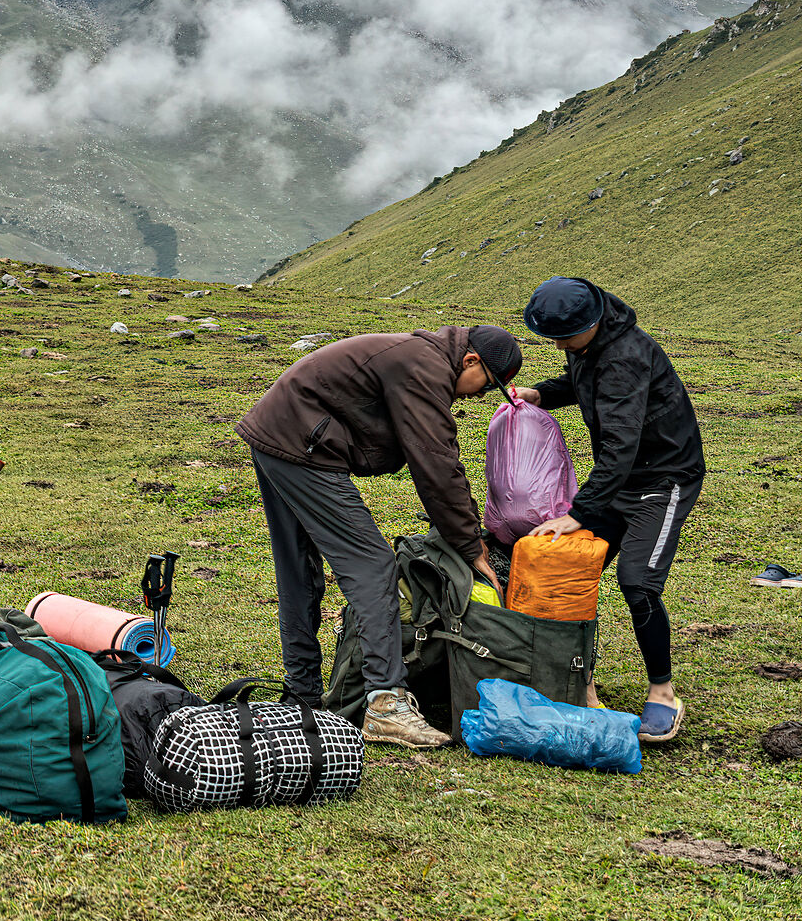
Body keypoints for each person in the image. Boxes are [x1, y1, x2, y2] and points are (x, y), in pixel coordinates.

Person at [236, 324, 523, 749]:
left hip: (281, 435)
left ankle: (301, 696)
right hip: (302, 446)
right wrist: (469, 543)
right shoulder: (423, 367)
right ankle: (385, 704)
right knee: (372, 566)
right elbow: (436, 464)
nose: (479, 396)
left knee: (298, 569)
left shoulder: (420, 357)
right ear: (471, 361)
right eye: (487, 386)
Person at [509, 276, 706, 744]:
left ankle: (663, 692)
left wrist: (582, 511)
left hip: (662, 481)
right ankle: (574, 679)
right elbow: (583, 382)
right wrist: (542, 394)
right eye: (550, 335)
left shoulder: (625, 358)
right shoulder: (589, 344)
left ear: (593, 321)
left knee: (638, 582)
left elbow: (620, 444)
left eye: (564, 337)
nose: (559, 344)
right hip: (618, 480)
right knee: (559, 563)